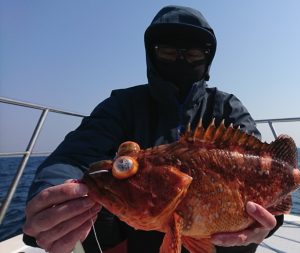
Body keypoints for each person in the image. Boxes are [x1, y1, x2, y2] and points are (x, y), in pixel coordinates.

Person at [22, 5, 283, 253]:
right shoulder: (123, 105)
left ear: (208, 58)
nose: (181, 60)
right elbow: (74, 156)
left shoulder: (227, 107)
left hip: (224, 245)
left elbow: (264, 171)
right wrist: (53, 193)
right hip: (138, 242)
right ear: (152, 54)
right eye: (168, 52)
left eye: (193, 54)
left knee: (242, 233)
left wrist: (268, 225)